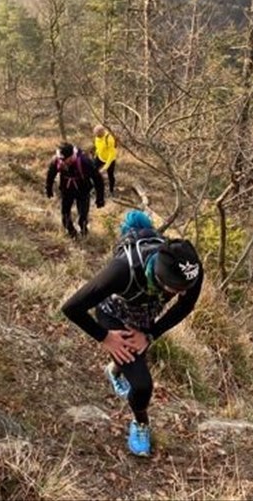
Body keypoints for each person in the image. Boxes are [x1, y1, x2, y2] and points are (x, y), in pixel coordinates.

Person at [61, 210, 203, 457]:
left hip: (145, 316)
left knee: (132, 355)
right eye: (174, 288)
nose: (180, 292)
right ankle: (141, 423)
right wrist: (106, 337)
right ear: (158, 273)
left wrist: (151, 334)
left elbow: (186, 305)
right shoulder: (122, 270)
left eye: (184, 287)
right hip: (114, 312)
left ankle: (114, 369)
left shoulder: (190, 271)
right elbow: (72, 308)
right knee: (142, 384)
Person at [45, 142, 105, 238]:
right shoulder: (57, 160)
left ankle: (83, 230)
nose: (62, 162)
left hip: (83, 190)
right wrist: (48, 188)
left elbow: (98, 179)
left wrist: (100, 198)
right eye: (61, 159)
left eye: (65, 159)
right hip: (67, 190)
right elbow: (51, 174)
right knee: (65, 215)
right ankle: (72, 233)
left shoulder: (84, 162)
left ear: (71, 156)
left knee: (83, 215)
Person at [92, 125, 118, 196]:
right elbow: (98, 147)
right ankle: (96, 187)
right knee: (93, 171)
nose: (96, 136)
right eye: (95, 134)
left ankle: (111, 190)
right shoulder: (97, 137)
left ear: (102, 132)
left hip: (110, 159)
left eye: (98, 134)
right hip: (100, 157)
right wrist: (96, 155)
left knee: (110, 175)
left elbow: (111, 154)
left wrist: (105, 167)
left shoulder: (109, 139)